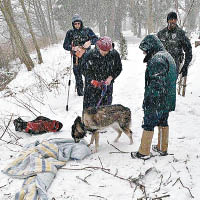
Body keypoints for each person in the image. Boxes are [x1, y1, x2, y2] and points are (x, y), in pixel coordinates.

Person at [131, 34, 177, 159]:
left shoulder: (157, 59)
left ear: (151, 47)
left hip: (157, 99)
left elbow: (157, 83)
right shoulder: (167, 55)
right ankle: (162, 148)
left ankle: (144, 152)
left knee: (149, 123)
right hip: (168, 98)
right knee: (163, 121)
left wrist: (150, 101)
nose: (144, 53)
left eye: (145, 50)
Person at [81, 36, 122, 109]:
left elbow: (118, 68)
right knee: (90, 109)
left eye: (107, 51)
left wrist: (111, 77)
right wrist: (91, 80)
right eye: (103, 51)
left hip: (107, 86)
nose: (105, 53)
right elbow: (84, 69)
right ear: (98, 47)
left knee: (105, 109)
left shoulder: (114, 54)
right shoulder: (90, 54)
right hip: (92, 87)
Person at [63, 14, 98, 96]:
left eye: (78, 23)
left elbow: (96, 39)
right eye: (75, 24)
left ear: (81, 23)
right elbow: (65, 45)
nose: (77, 25)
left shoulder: (87, 30)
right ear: (73, 24)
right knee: (78, 76)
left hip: (87, 56)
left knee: (88, 74)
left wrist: (89, 42)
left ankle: (89, 90)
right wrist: (72, 48)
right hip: (76, 58)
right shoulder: (70, 33)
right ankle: (80, 92)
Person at [157, 11, 192, 78]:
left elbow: (188, 50)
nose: (173, 21)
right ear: (167, 21)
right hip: (162, 65)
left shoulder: (181, 33)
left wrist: (185, 66)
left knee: (171, 85)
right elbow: (155, 49)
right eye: (171, 19)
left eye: (175, 19)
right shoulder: (161, 34)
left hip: (175, 65)